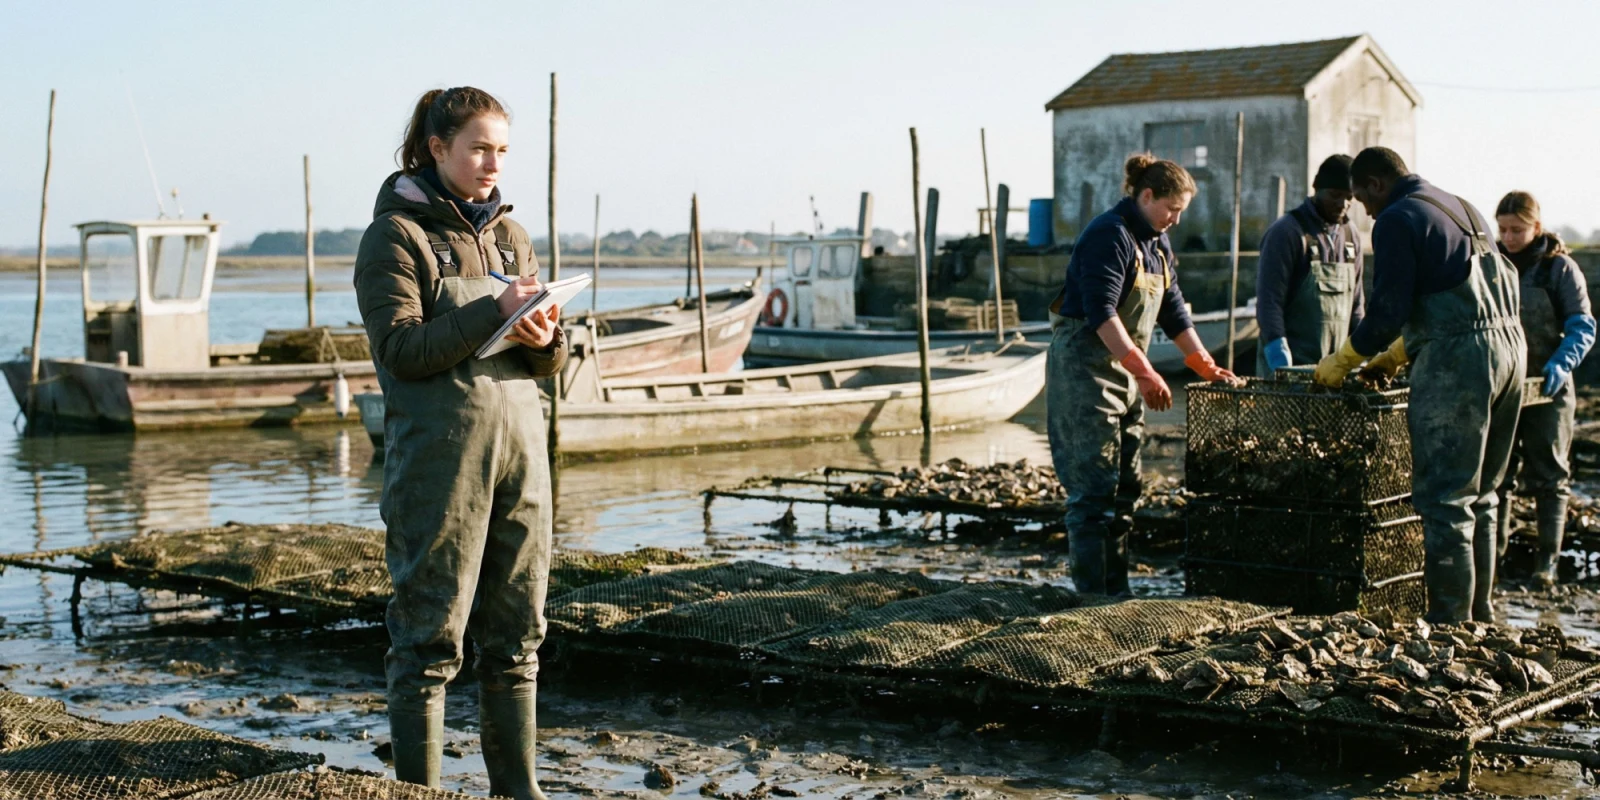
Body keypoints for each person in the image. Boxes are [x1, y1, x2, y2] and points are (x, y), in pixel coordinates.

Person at [355, 86, 567, 800]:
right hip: (438, 463)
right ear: (436, 148)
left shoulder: (511, 235)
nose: (492, 164)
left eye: (502, 150)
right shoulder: (394, 238)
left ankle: (519, 791)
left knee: (518, 635)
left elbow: (538, 361)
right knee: (428, 640)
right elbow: (402, 349)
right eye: (479, 147)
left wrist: (545, 338)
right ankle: (421, 792)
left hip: (521, 454)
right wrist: (494, 312)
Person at [1314, 147, 1524, 624]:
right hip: (1510, 350)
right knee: (1483, 495)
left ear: (1375, 185)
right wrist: (1395, 357)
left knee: (1447, 500)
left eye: (1363, 199)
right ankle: (1482, 617)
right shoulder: (1461, 206)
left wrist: (1344, 359)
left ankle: (1452, 627)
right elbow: (1463, 304)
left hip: (1461, 364)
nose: (1365, 211)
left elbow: (1388, 312)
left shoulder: (1397, 217)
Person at [1047, 153, 1239, 596]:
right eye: (1171, 208)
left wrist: (1203, 364)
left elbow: (1173, 310)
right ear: (1146, 195)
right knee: (1093, 491)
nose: (1174, 219)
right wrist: (1149, 373)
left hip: (1126, 373)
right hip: (1085, 371)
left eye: (1180, 212)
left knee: (1125, 489)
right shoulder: (1108, 235)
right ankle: (1093, 597)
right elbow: (1101, 314)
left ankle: (1119, 593)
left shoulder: (1156, 244)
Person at [1494, 191, 1595, 587]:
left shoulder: (1559, 269)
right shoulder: (1494, 267)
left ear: (1536, 227)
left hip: (1549, 387)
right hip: (1505, 387)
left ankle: (1545, 567)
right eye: (1502, 229)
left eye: (1517, 229)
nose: (1509, 237)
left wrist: (1562, 362)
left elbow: (1582, 326)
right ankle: (1495, 563)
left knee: (1550, 477)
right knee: (1498, 476)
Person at [1255, 154, 1364, 376]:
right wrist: (1280, 359)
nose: (1342, 204)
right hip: (1293, 369)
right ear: (1317, 190)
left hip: (1335, 372)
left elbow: (1357, 304)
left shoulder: (1351, 236)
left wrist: (1361, 354)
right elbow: (1269, 303)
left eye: (1349, 197)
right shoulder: (1287, 232)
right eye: (1334, 195)